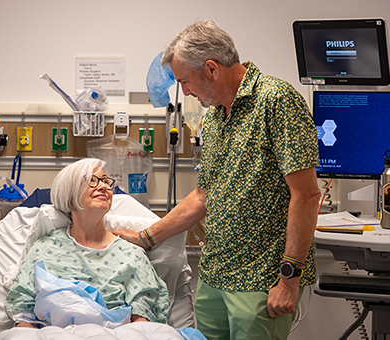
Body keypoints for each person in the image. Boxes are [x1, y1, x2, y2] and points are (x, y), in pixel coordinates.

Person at [114, 20, 321, 340]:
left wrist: (289, 278)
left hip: (260, 280)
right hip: (214, 276)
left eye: (185, 80)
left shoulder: (276, 101)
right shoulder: (214, 118)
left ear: (211, 69)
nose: (184, 91)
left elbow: (306, 195)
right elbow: (203, 195)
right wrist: (146, 237)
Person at [4, 158, 170, 328]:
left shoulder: (131, 254)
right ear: (68, 196)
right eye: (91, 181)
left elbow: (143, 321)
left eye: (106, 181)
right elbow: (23, 314)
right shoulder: (45, 249)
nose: (103, 186)